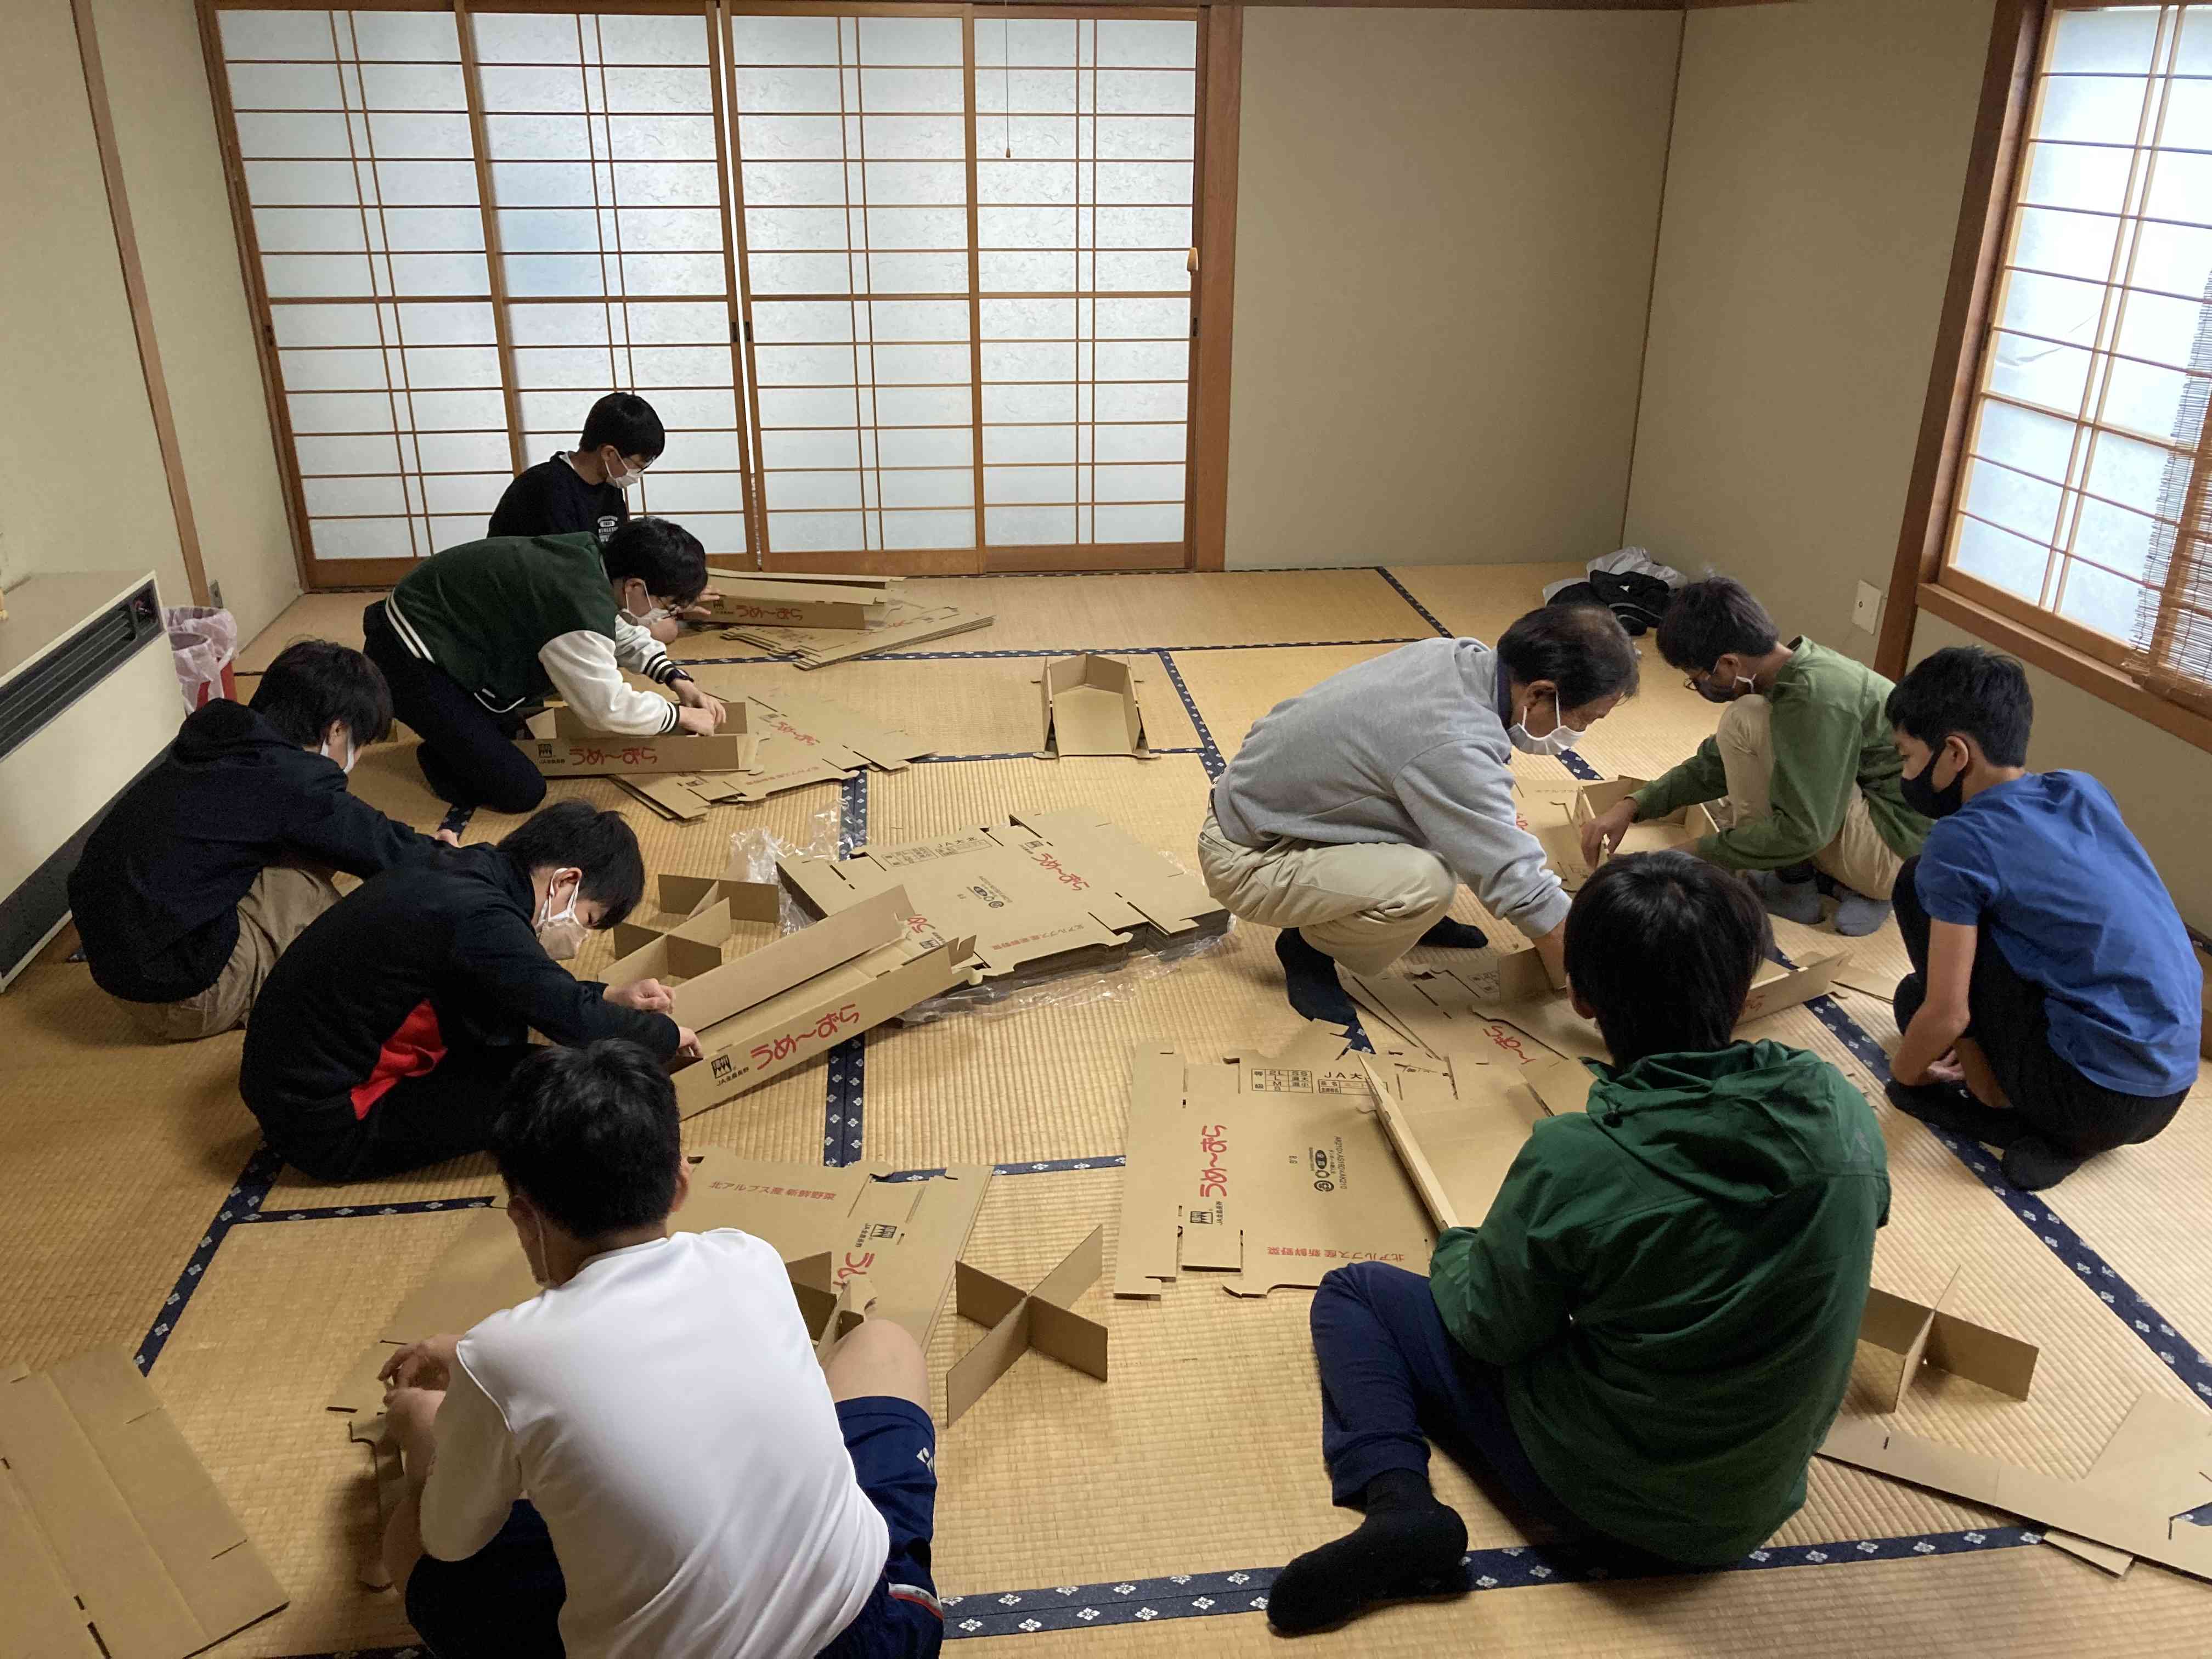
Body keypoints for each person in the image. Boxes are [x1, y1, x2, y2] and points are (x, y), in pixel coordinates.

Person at [1267, 850, 1888, 1635]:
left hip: (1606, 1496)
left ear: (1582, 996)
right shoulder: (1838, 1108)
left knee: (1356, 1294)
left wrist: (1461, 1247)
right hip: (1757, 1500)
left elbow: (1489, 1328)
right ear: (1744, 987)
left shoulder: (1578, 1157)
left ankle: (1401, 1506)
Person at [379, 1040, 944, 1659]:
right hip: (877, 1636)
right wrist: (474, 1363)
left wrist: (422, 1426)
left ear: (522, 1216)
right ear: (679, 1184)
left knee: (410, 1534)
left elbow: (451, 1541)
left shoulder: (499, 1358)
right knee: (884, 1344)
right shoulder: (748, 1256)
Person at [1199, 605, 1639, 1028]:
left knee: (1470, 826)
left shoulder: (1456, 658)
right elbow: (1517, 881)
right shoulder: (1451, 740)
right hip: (1250, 855)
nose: (1579, 733)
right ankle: (1310, 948)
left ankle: (1391, 917)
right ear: (1539, 694)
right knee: (1428, 884)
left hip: (1274, 807)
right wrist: (1596, 987)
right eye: (1583, 720)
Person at [239, 802, 698, 1182]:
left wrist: (609, 995)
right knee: (571, 1081)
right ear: (566, 882)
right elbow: (574, 1020)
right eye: (590, 919)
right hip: (333, 1125)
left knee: (508, 1030)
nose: (580, 938)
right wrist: (666, 1036)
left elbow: (518, 982)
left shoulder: (464, 868)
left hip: (290, 1093)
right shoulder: (483, 919)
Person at [1883, 646, 2197, 1192]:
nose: (1906, 774)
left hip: (2090, 1094)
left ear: (1955, 754)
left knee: (1915, 891)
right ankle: (2056, 1126)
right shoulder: (2079, 789)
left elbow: (1950, 1013)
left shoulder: (1960, 842)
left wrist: (1904, 1078)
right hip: (2169, 1089)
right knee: (1912, 999)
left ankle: (2002, 1106)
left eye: (1908, 757)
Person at [68, 640, 453, 1041]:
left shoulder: (222, 742)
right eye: (359, 742)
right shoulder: (289, 778)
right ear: (337, 729)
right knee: (308, 884)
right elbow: (377, 845)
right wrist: (450, 860)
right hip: (186, 993)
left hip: (121, 969)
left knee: (308, 843)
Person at [1580, 577, 1929, 936]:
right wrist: (1632, 805)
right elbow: (1713, 765)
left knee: (1744, 720)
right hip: (1889, 826)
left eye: (1696, 678)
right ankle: (1826, 879)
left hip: (1900, 856)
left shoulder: (1814, 700)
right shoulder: (1796, 671)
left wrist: (1685, 857)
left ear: (1729, 664)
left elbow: (1804, 832)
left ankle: (1796, 884)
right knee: (1747, 741)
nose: (1699, 688)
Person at [362, 517, 727, 815]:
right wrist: (680, 716)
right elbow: (605, 708)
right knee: (520, 790)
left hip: (442, 633)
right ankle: (439, 752)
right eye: (667, 604)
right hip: (406, 656)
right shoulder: (576, 604)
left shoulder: (594, 563)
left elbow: (617, 630)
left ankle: (460, 735)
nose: (666, 614)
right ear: (635, 586)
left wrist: (678, 680)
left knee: (520, 727)